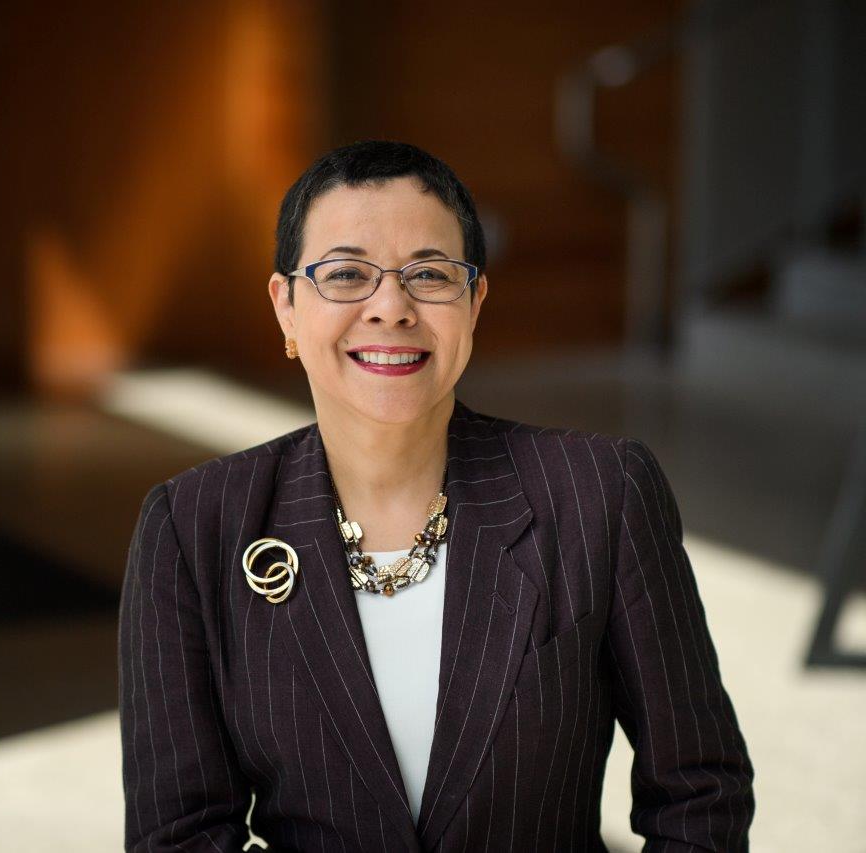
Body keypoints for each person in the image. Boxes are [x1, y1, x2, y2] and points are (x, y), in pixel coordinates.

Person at [117, 140, 755, 852]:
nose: (391, 307)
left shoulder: (601, 493)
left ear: (475, 301)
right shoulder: (194, 527)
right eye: (347, 274)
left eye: (430, 274)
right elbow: (178, 835)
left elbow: (702, 793)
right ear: (287, 307)